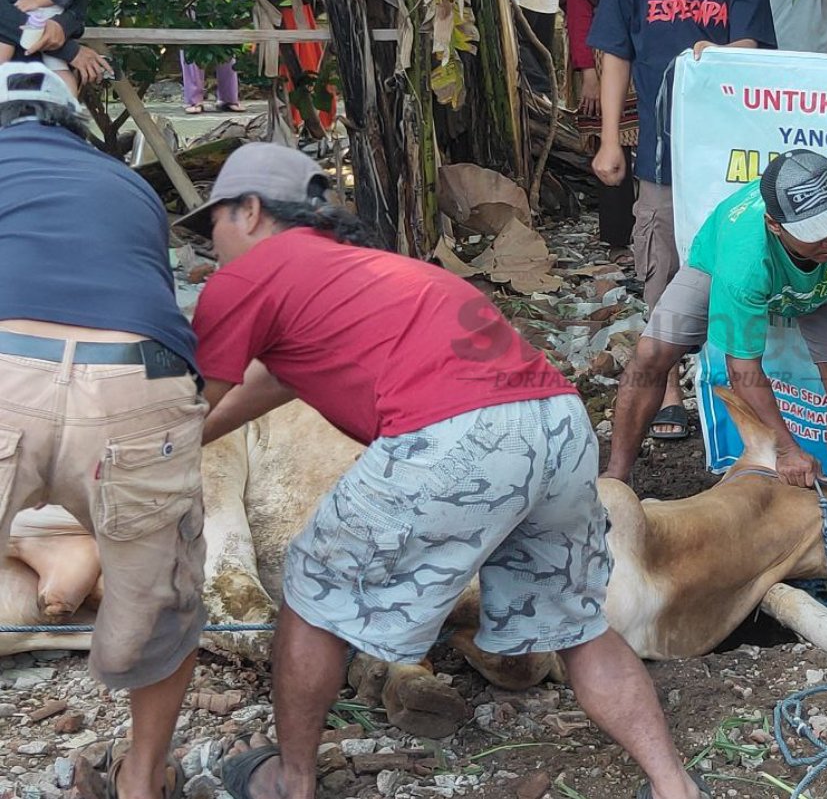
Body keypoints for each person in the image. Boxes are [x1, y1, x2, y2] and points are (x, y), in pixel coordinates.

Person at [177, 144, 711, 799]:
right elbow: (269, 385)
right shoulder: (366, 271)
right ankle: (672, 784)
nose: (212, 247)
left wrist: (139, 461)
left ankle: (290, 782)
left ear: (251, 211)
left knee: (310, 596)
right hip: (556, 420)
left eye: (215, 227)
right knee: (577, 627)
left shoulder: (249, 277)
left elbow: (192, 404)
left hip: (462, 433)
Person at [0, 63, 203, 799]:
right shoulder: (129, 186)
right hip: (136, 382)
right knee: (166, 605)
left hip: (3, 365)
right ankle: (142, 779)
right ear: (76, 129)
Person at [603, 149, 827, 491]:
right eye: (816, 231)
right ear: (774, 225)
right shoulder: (743, 260)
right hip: (720, 263)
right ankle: (615, 479)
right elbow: (743, 369)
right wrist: (788, 450)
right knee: (650, 353)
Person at [590, 0, 775, 438]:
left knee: (739, 258)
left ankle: (731, 379)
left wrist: (717, 54)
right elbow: (615, 53)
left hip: (729, 150)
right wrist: (609, 141)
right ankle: (668, 385)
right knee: (661, 257)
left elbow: (753, 43)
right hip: (661, 146)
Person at [561, 0, 643, 247]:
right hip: (599, 63)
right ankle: (617, 235)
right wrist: (589, 77)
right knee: (611, 149)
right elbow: (579, 21)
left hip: (637, 59)